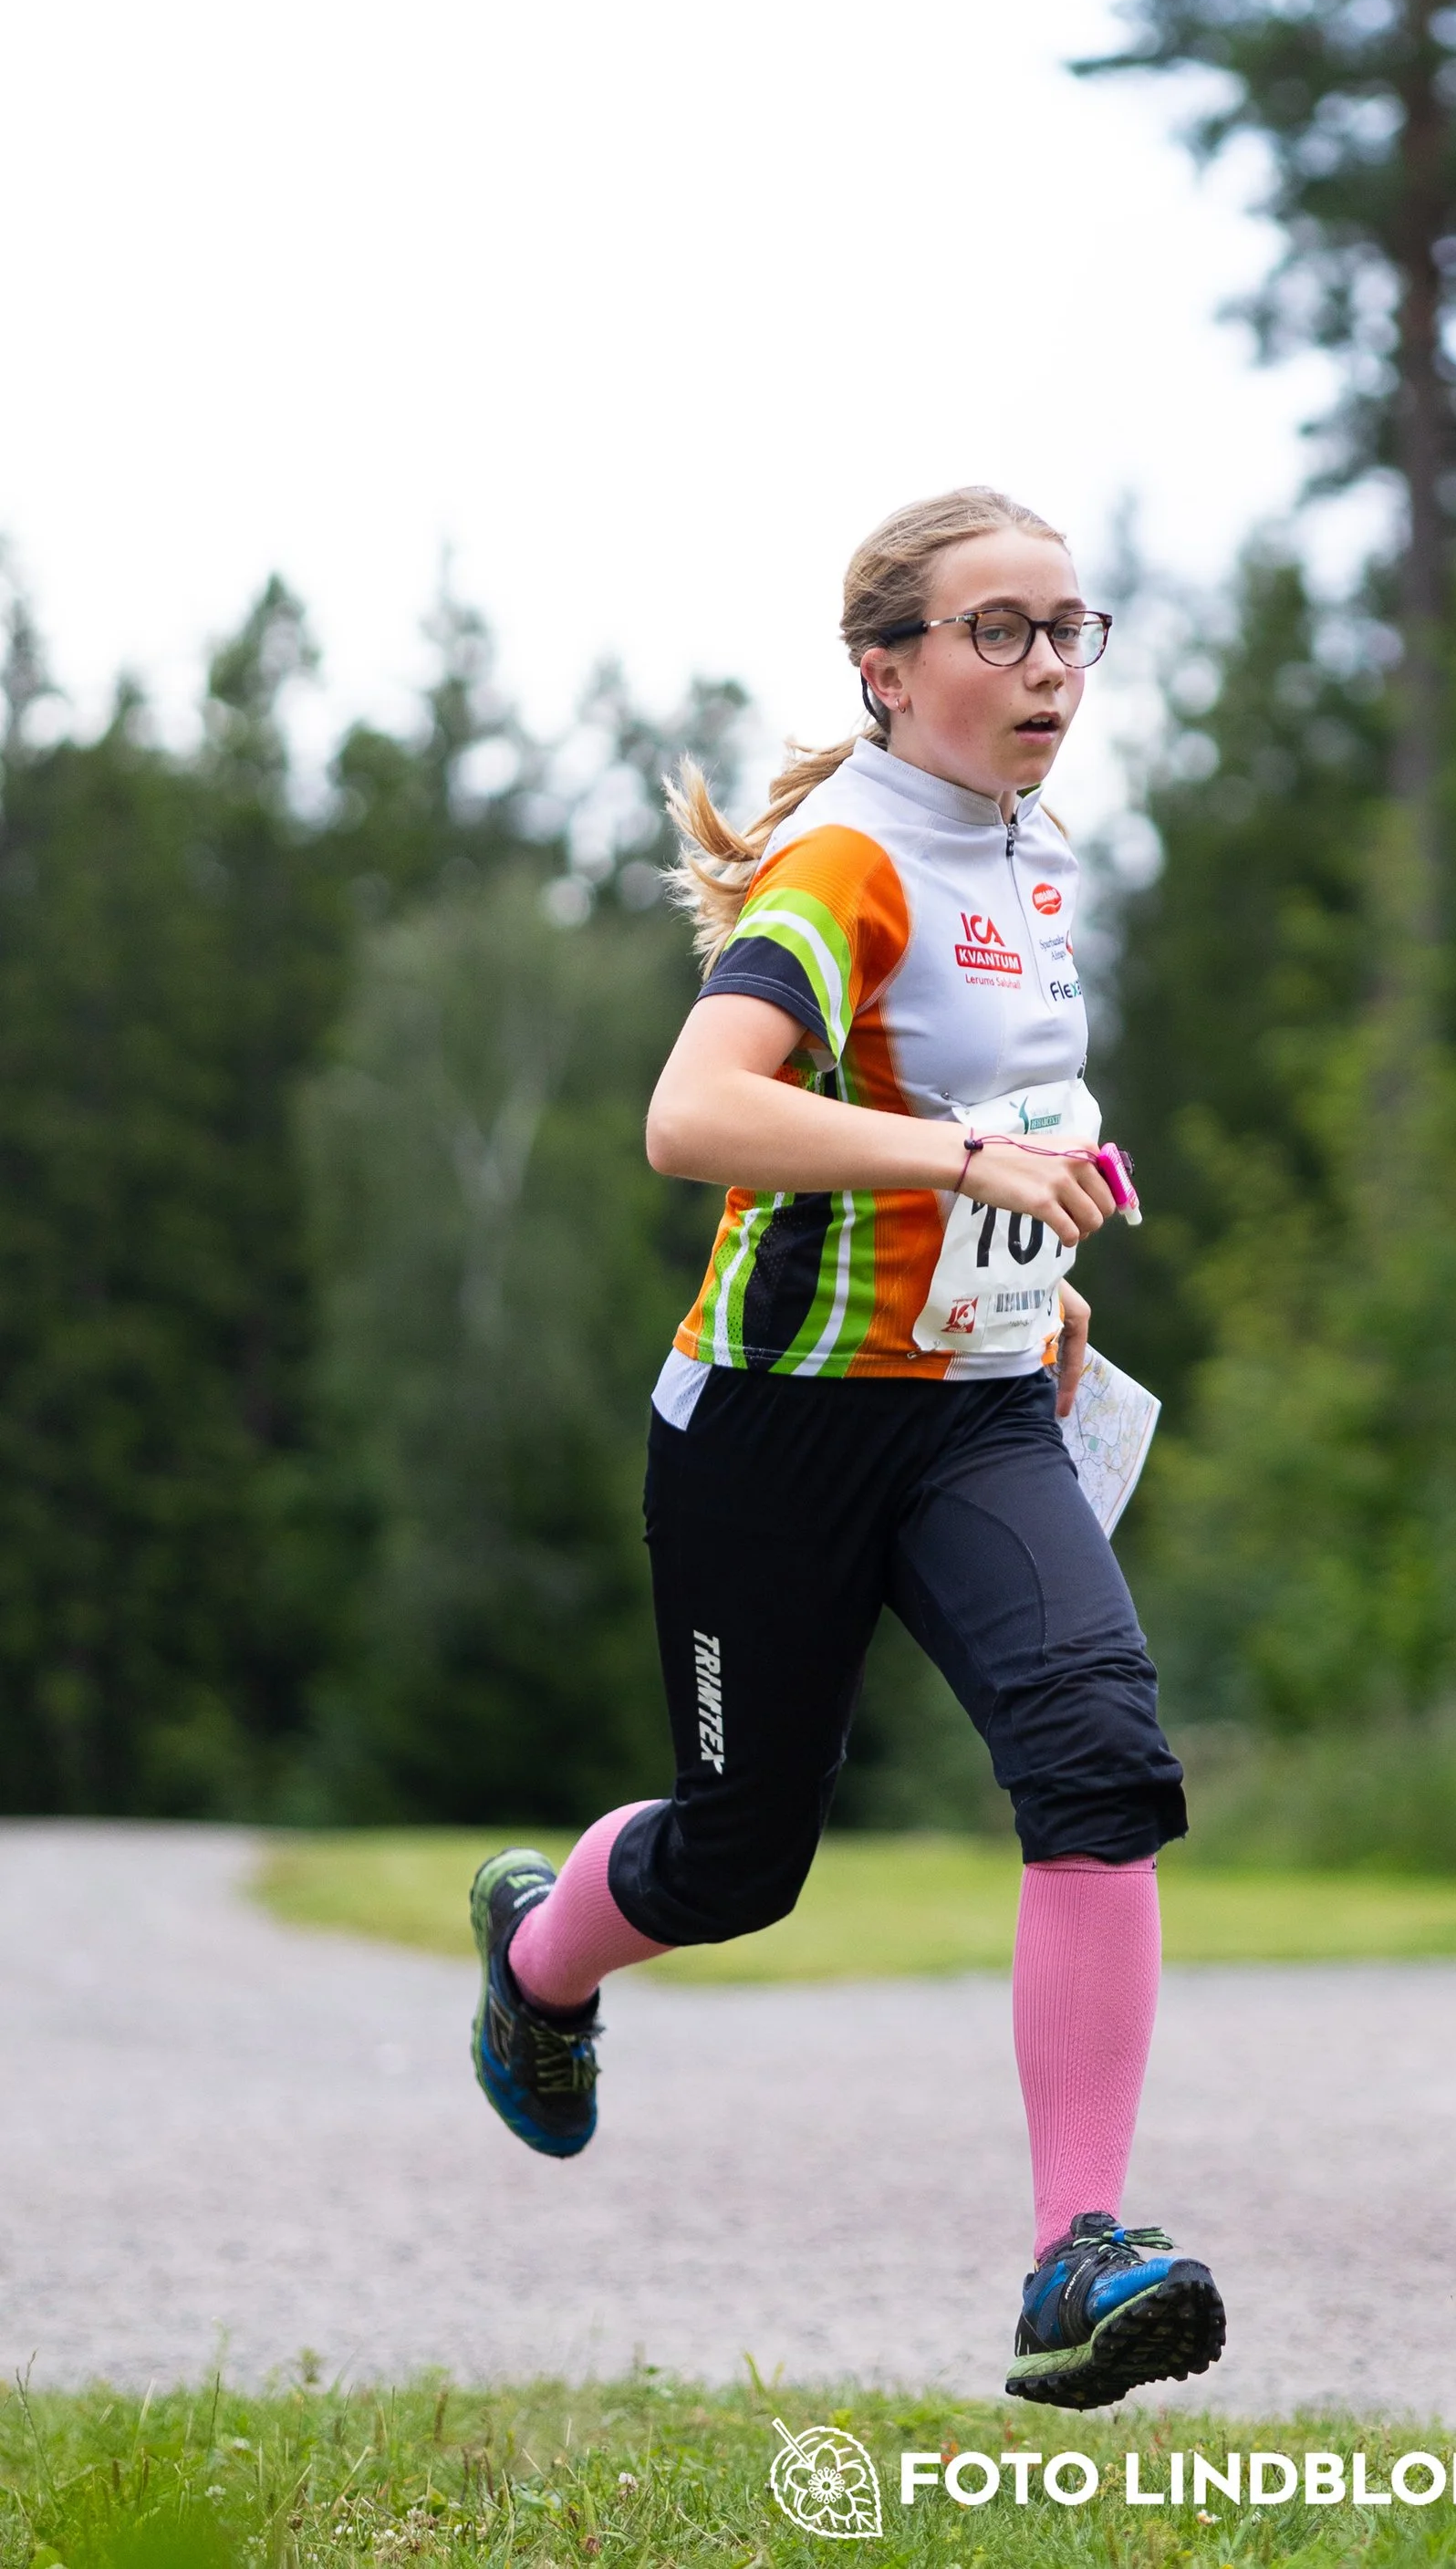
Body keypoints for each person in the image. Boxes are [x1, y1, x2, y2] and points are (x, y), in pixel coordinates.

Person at [463, 486, 1222, 2415]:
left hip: (968, 1417)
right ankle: (543, 1959)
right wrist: (971, 1162)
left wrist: (1020, 1269)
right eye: (1000, 630)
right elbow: (693, 1113)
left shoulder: (1034, 854)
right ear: (886, 670)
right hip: (773, 1438)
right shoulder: (844, 868)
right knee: (738, 1865)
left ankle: (1078, 2254)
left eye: (1071, 627)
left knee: (1098, 1754)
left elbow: (985, 1103)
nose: (1049, 664)